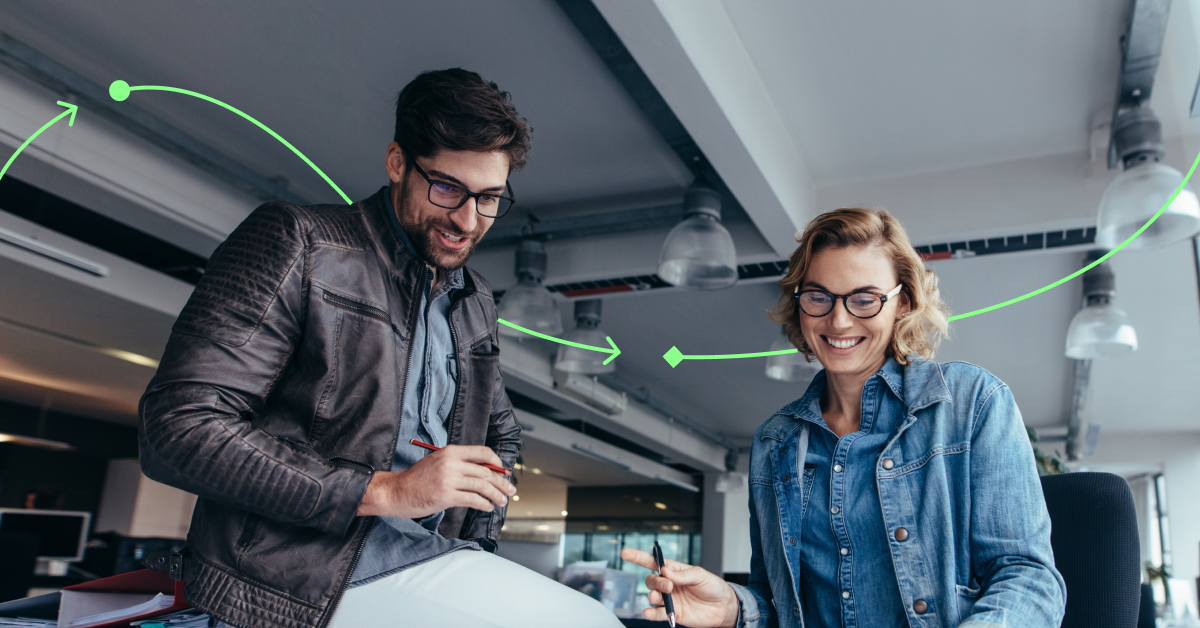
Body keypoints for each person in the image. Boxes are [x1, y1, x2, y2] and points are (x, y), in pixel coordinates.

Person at [140, 68, 621, 628]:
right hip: (293, 576)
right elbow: (176, 429)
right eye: (447, 188)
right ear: (397, 162)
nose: (467, 220)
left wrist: (479, 542)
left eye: (489, 198)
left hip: (424, 558)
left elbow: (500, 432)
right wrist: (384, 490)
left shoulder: (473, 298)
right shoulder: (301, 241)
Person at [622, 208, 1067, 628]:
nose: (838, 320)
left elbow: (1029, 579)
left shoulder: (972, 402)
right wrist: (733, 607)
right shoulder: (775, 442)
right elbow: (784, 604)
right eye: (818, 296)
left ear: (904, 303)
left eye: (864, 299)